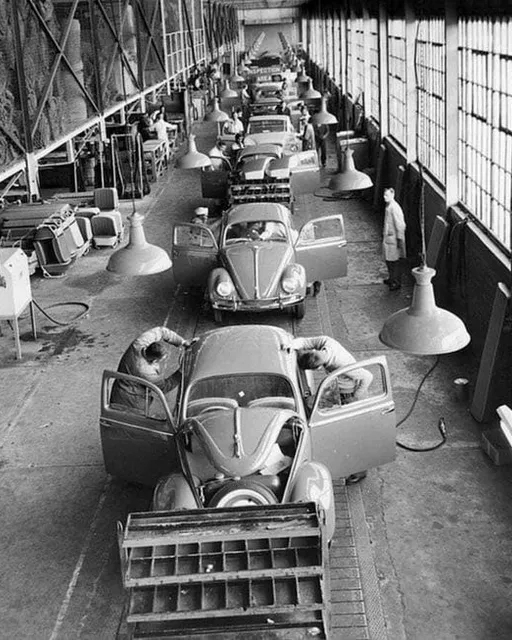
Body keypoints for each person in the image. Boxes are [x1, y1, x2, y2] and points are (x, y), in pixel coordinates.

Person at [284, 334, 373, 484]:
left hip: (350, 394)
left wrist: (355, 398)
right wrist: (291, 345)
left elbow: (368, 377)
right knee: (316, 410)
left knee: (352, 435)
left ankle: (360, 471)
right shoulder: (325, 342)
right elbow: (305, 341)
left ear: (319, 366)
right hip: (336, 387)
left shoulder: (342, 363)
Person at [110, 327, 193, 412]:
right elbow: (164, 386)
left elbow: (161, 331)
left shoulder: (139, 344)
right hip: (131, 402)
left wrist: (182, 342)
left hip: (119, 389)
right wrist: (181, 371)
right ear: (155, 360)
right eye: (162, 359)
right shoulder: (145, 371)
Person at [382, 187, 407, 291]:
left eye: (387, 195)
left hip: (394, 240)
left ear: (393, 195)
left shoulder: (395, 208)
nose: (384, 197)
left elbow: (400, 225)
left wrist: (399, 239)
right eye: (384, 195)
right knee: (388, 260)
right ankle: (391, 278)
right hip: (388, 238)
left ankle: (396, 282)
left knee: (395, 261)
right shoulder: (388, 206)